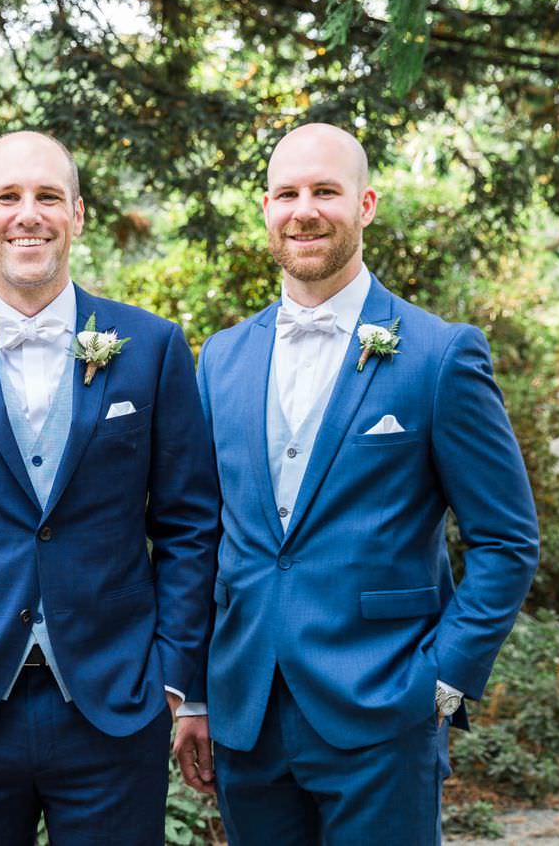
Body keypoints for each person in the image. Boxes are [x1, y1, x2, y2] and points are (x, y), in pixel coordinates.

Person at [0, 131, 218, 844]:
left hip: (113, 702)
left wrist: (173, 678)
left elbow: (187, 524)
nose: (29, 214)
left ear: (77, 215)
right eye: (8, 198)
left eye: (48, 196)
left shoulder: (151, 348)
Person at [195, 123, 539, 842]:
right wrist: (195, 694)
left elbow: (506, 540)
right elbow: (199, 538)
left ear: (367, 204)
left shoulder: (438, 355)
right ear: (265, 208)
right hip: (247, 715)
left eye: (326, 190)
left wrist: (443, 679)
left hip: (385, 706)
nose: (304, 209)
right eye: (286, 193)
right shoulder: (221, 358)